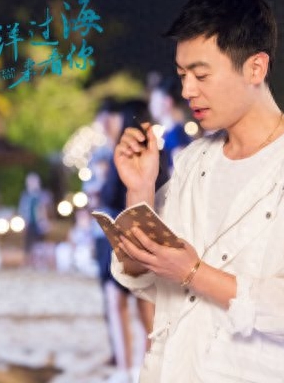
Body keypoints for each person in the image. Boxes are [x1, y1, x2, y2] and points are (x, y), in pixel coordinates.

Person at [112, 0, 284, 382]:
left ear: (255, 68)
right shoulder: (194, 160)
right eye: (182, 75)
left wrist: (194, 273)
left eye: (201, 75)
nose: (188, 90)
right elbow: (146, 278)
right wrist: (141, 189)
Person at [97, 100, 168, 382]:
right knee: (145, 306)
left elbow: (110, 195)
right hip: (147, 233)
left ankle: (126, 369)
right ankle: (142, 368)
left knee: (118, 303)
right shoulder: (156, 152)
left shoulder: (125, 153)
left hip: (122, 234)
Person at [148, 76, 193, 173]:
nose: (152, 105)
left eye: (155, 101)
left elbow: (179, 170)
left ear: (168, 101)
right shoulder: (170, 131)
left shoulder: (175, 133)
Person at [18, 172, 51, 267]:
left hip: (40, 223)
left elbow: (46, 209)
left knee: (40, 244)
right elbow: (22, 209)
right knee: (28, 244)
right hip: (29, 223)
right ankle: (28, 263)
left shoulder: (43, 195)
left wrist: (45, 221)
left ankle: (41, 263)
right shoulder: (25, 196)